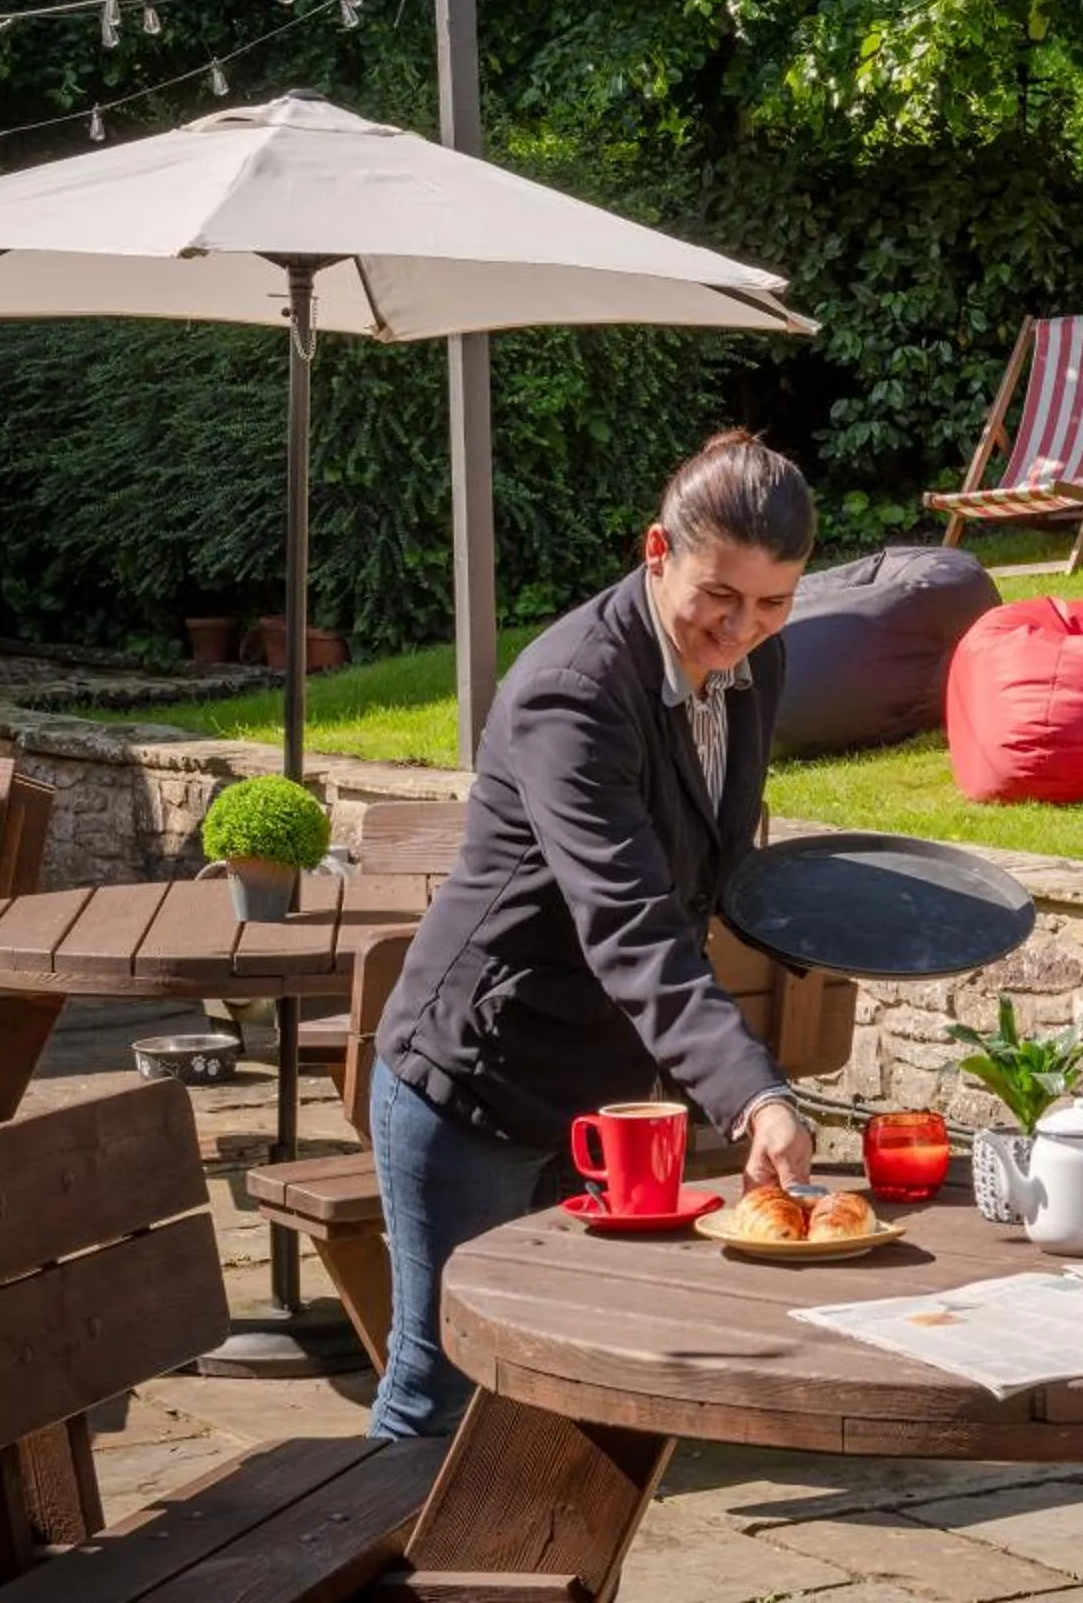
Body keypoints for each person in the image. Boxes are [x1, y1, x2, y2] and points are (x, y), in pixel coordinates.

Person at [366, 430, 818, 1438]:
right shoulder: (573, 689)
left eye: (774, 600)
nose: (744, 627)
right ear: (657, 549)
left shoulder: (758, 657)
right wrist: (750, 1093)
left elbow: (707, 853)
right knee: (439, 1389)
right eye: (720, 594)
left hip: (604, 1088)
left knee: (569, 1383)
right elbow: (629, 920)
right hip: (471, 1074)